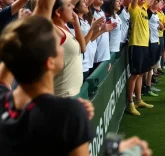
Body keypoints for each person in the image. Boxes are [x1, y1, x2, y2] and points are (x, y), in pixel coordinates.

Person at [0, 16, 94, 156]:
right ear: (50, 62)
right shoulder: (68, 113)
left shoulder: (2, 99)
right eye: (58, 45)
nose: (63, 48)